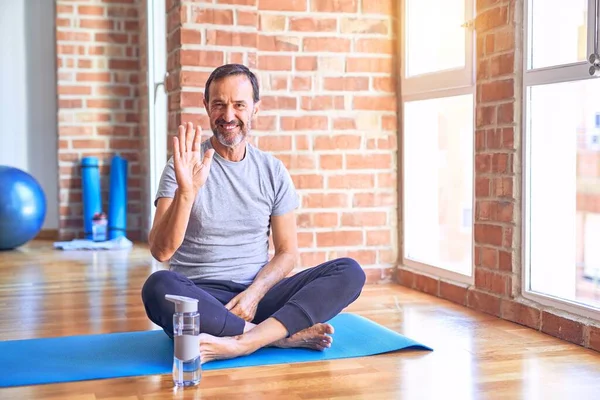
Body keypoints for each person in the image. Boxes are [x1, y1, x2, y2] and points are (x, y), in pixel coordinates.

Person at [141, 63, 366, 364]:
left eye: (239, 105)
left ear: (255, 109)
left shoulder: (272, 170)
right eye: (219, 104)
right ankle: (277, 337)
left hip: (259, 297)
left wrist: (255, 293)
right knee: (158, 288)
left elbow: (287, 253)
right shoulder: (183, 165)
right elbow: (161, 251)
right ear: (207, 107)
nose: (228, 115)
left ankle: (243, 342)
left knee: (349, 272)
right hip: (203, 298)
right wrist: (186, 192)